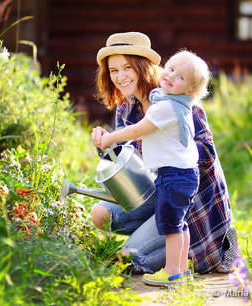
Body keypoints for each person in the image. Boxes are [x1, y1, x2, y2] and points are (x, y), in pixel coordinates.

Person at [90, 31, 237, 277]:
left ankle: (216, 243)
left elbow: (208, 154)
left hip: (188, 199)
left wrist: (157, 138)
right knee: (100, 215)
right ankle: (152, 240)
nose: (120, 77)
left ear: (142, 66)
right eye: (114, 70)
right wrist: (105, 145)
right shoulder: (127, 107)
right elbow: (127, 163)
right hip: (157, 190)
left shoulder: (177, 96)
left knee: (129, 259)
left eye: (127, 67)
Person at [97, 50, 205, 285]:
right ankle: (182, 270)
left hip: (176, 178)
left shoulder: (166, 105)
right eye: (171, 69)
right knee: (177, 223)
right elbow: (125, 156)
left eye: (127, 67)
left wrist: (111, 138)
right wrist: (106, 143)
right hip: (174, 177)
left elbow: (138, 131)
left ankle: (172, 271)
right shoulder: (167, 101)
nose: (171, 76)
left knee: (171, 225)